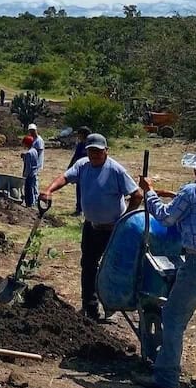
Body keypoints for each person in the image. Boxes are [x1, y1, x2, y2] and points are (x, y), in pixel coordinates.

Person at [132, 145, 196, 388]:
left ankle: (166, 377)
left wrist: (149, 191)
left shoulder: (192, 191)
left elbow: (165, 217)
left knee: (173, 317)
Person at [40, 133, 143, 320]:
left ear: (106, 151)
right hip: (91, 226)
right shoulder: (82, 165)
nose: (94, 155)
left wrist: (124, 219)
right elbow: (65, 177)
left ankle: (111, 307)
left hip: (113, 230)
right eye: (91, 151)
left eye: (98, 151)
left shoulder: (116, 170)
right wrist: (48, 190)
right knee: (88, 265)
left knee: (112, 268)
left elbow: (137, 195)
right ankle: (90, 308)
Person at [68, 126, 92, 216]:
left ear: (83, 134)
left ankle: (86, 209)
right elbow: (75, 156)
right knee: (79, 189)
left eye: (79, 134)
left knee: (87, 191)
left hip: (89, 171)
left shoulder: (90, 145)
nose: (78, 136)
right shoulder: (80, 144)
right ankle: (79, 209)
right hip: (81, 171)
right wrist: (70, 167)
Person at [21, 135, 40, 207]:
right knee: (33, 189)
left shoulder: (29, 153)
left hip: (29, 174)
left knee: (28, 191)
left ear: (26, 144)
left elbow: (28, 166)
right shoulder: (35, 151)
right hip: (34, 173)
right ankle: (33, 203)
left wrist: (25, 176)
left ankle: (29, 205)